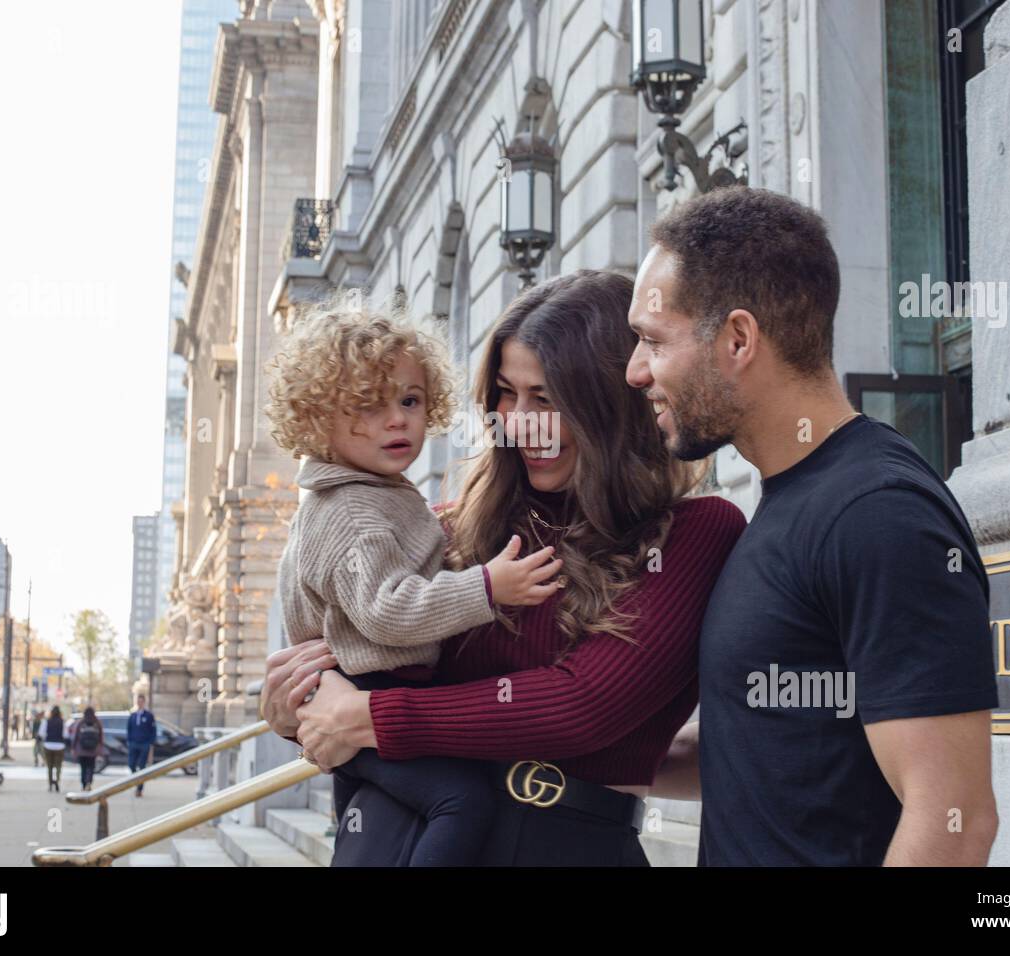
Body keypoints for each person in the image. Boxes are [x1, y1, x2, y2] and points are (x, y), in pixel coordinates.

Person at [262, 270, 747, 865]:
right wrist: (296, 707)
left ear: (612, 402)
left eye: (545, 398)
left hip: (568, 846)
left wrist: (369, 718)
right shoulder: (444, 529)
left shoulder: (694, 532)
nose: (518, 422)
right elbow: (355, 651)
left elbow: (581, 708)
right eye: (504, 394)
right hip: (410, 837)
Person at [628, 187, 999, 865]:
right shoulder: (788, 502)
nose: (636, 371)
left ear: (737, 339)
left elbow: (955, 819)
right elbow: (769, 751)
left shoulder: (877, 513)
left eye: (653, 341)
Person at [265, 294, 566, 866]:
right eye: (369, 406)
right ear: (315, 416)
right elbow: (386, 609)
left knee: (377, 826)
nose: (398, 419)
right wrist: (486, 587)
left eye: (410, 399)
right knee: (462, 800)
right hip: (366, 689)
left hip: (376, 689)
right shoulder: (352, 510)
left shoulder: (379, 494)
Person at [66, 707, 105, 791]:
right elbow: (101, 737)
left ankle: (83, 784)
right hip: (93, 751)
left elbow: (75, 736)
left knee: (83, 768)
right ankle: (89, 783)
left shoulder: (80, 722)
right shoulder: (97, 723)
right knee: (91, 767)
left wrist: (73, 748)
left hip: (82, 750)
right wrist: (100, 748)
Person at [126, 694, 155, 797]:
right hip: (133, 743)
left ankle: (139, 789)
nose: (139, 703)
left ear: (144, 702)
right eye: (138, 701)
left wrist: (151, 744)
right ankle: (136, 780)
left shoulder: (149, 716)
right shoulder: (132, 716)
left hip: (144, 744)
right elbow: (128, 730)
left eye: (141, 701)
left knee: (142, 767)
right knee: (131, 764)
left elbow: (153, 731)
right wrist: (129, 742)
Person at [37, 706, 65, 792]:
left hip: (48, 745)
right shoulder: (62, 722)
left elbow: (41, 733)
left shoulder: (46, 721)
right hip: (60, 746)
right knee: (58, 766)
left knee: (49, 766)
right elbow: (66, 734)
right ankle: (57, 781)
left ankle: (50, 784)